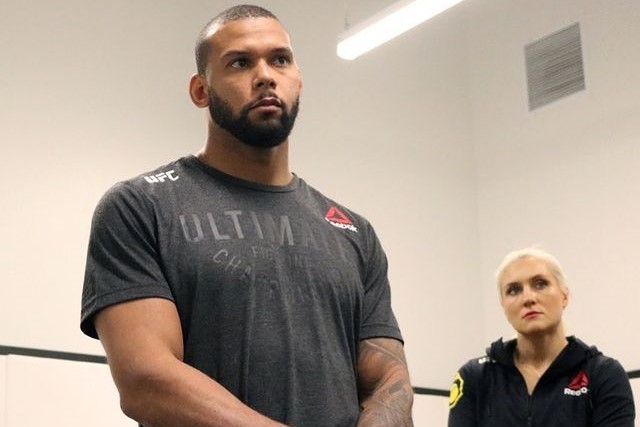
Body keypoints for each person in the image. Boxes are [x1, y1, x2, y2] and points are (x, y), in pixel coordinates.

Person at [80, 4, 413, 427]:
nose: (265, 76)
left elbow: (388, 379)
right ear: (201, 90)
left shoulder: (352, 231)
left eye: (280, 59)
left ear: (298, 80)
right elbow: (147, 380)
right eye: (240, 62)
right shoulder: (141, 207)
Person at [447, 247, 635, 427]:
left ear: (564, 295)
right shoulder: (475, 377)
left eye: (540, 284)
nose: (528, 298)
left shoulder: (603, 374)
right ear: (503, 306)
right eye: (513, 290)